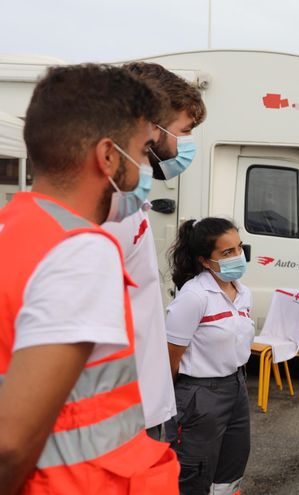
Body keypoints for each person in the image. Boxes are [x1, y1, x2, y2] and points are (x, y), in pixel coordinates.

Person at [0, 64, 179, 493]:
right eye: (141, 151)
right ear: (108, 156)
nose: (144, 171)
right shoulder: (82, 250)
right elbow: (10, 445)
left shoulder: (15, 226)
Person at [102, 61, 207, 442]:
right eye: (184, 131)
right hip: (119, 413)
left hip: (136, 403)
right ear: (150, 124)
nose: (186, 144)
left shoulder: (129, 193)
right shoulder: (111, 200)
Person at [164, 218, 254, 495]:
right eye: (227, 253)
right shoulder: (194, 296)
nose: (238, 257)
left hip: (236, 387)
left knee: (231, 470)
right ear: (205, 260)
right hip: (200, 394)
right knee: (193, 474)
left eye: (239, 248)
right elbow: (169, 360)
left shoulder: (242, 291)